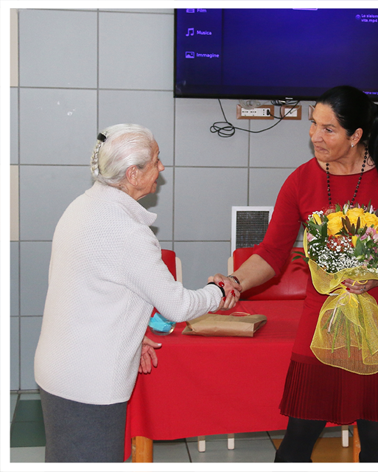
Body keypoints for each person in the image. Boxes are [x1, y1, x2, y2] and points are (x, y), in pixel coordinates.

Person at [227, 85, 378, 462]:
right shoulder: (301, 180)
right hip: (323, 324)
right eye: (313, 125)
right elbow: (272, 253)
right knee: (295, 442)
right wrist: (235, 281)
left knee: (376, 444)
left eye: (328, 129)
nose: (315, 137)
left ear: (357, 135)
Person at [34, 124, 239, 462]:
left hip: (60, 370)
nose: (161, 168)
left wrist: (131, 336)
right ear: (132, 173)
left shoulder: (82, 207)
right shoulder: (126, 232)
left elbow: (88, 292)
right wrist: (219, 290)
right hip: (88, 382)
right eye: (156, 161)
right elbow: (177, 305)